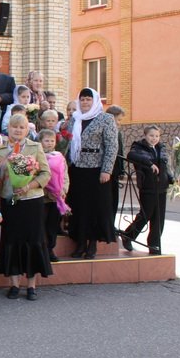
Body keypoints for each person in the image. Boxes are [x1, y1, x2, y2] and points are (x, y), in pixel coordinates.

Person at [0, 114, 52, 300]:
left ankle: (31, 285)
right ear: (8, 128)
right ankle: (14, 284)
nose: (18, 130)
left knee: (33, 239)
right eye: (14, 127)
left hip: (32, 200)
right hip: (11, 200)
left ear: (27, 129)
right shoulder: (1, 151)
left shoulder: (36, 147)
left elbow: (45, 173)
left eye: (22, 127)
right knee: (12, 239)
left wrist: (28, 185)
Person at [66, 88, 119, 259]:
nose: (85, 103)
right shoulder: (74, 119)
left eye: (89, 99)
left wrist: (106, 170)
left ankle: (92, 244)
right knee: (79, 206)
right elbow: (67, 143)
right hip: (77, 168)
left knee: (96, 207)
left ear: (95, 100)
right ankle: (80, 242)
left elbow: (112, 145)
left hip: (97, 169)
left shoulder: (106, 118)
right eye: (82, 100)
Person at [122, 125, 174, 255]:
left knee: (158, 218)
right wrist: (149, 163)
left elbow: (165, 166)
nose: (154, 138)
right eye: (151, 135)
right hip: (148, 187)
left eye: (157, 136)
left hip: (162, 187)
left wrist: (171, 178)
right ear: (145, 135)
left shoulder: (160, 147)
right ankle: (128, 235)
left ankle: (154, 245)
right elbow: (131, 155)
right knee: (146, 215)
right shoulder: (138, 147)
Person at [38, 129, 70, 262]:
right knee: (42, 224)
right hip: (43, 197)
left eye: (52, 141)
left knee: (52, 225)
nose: (50, 143)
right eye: (46, 140)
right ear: (40, 142)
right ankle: (42, 250)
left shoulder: (59, 156)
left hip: (56, 198)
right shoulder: (38, 156)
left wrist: (63, 189)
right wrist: (47, 188)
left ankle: (50, 248)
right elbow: (38, 175)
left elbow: (65, 176)